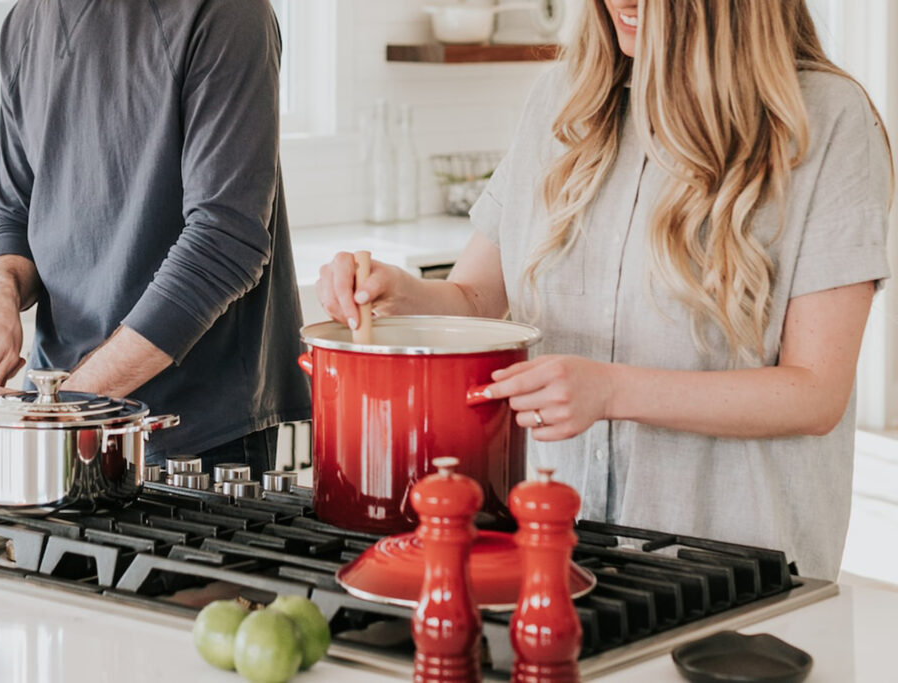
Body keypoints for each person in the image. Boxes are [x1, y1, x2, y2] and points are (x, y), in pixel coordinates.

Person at [317, 0, 892, 580]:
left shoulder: (828, 122)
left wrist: (612, 391)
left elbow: (815, 392)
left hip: (732, 572)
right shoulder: (561, 102)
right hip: (559, 558)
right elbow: (475, 300)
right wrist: (396, 293)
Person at [0, 0, 311, 475]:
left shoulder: (224, 11)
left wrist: (66, 408)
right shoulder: (25, 22)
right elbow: (15, 211)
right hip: (57, 410)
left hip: (195, 435)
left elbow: (225, 241)